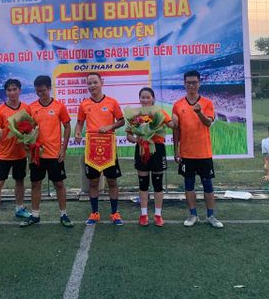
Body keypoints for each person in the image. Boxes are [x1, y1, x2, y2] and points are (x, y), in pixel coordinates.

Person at [172, 70, 223, 228]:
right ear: (184, 84)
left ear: (199, 83)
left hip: (203, 153)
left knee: (208, 184)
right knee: (189, 185)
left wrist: (199, 112)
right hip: (186, 153)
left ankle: (211, 216)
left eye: (194, 82)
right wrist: (176, 151)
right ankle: (193, 215)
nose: (191, 85)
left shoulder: (207, 103)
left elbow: (208, 123)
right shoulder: (177, 105)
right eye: (188, 83)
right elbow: (176, 130)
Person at [21, 75, 73, 228]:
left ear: (49, 88)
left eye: (43, 91)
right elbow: (27, 129)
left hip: (54, 153)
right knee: (35, 183)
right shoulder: (31, 108)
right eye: (38, 91)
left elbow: (67, 127)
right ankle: (35, 215)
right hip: (37, 155)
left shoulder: (59, 106)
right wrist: (27, 143)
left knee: (59, 184)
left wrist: (63, 149)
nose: (41, 94)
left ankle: (63, 214)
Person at [74, 72, 125, 226]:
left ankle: (114, 213)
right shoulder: (84, 104)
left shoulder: (112, 102)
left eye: (95, 82)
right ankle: (94, 213)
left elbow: (121, 121)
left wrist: (110, 126)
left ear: (101, 82)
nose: (92, 85)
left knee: (112, 182)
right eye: (89, 83)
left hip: (108, 147)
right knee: (93, 182)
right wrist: (77, 132)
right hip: (92, 148)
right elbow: (79, 122)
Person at [126, 87, 175, 227]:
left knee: (158, 184)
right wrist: (136, 139)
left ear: (153, 98)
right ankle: (143, 215)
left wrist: (174, 119)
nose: (145, 100)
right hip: (142, 149)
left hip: (157, 149)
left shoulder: (160, 112)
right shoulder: (135, 115)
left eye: (148, 97)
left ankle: (158, 215)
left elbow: (172, 125)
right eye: (143, 97)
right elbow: (129, 135)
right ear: (139, 99)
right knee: (143, 183)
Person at [0, 79, 32, 233]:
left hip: (20, 154)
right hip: (4, 155)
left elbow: (30, 129)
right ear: (6, 92)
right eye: (9, 90)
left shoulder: (26, 108)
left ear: (20, 90)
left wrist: (29, 138)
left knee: (20, 180)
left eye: (14, 89)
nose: (12, 92)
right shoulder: (0, 111)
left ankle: (19, 208)